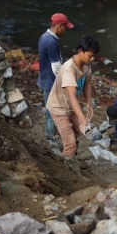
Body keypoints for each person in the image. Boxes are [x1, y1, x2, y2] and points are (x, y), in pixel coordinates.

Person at [46, 35, 100, 179]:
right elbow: (72, 97)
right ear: (80, 52)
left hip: (70, 106)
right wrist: (83, 118)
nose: (92, 59)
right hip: (59, 108)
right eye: (90, 55)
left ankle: (72, 159)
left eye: (94, 56)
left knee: (76, 132)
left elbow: (87, 82)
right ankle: (71, 173)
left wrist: (88, 102)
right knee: (70, 141)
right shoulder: (68, 69)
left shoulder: (86, 65)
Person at [37, 13, 74, 147]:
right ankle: (50, 140)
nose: (65, 30)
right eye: (65, 27)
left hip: (44, 79)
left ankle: (51, 136)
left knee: (50, 111)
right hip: (50, 84)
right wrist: (65, 84)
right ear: (59, 26)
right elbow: (56, 67)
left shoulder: (44, 37)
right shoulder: (52, 43)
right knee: (51, 113)